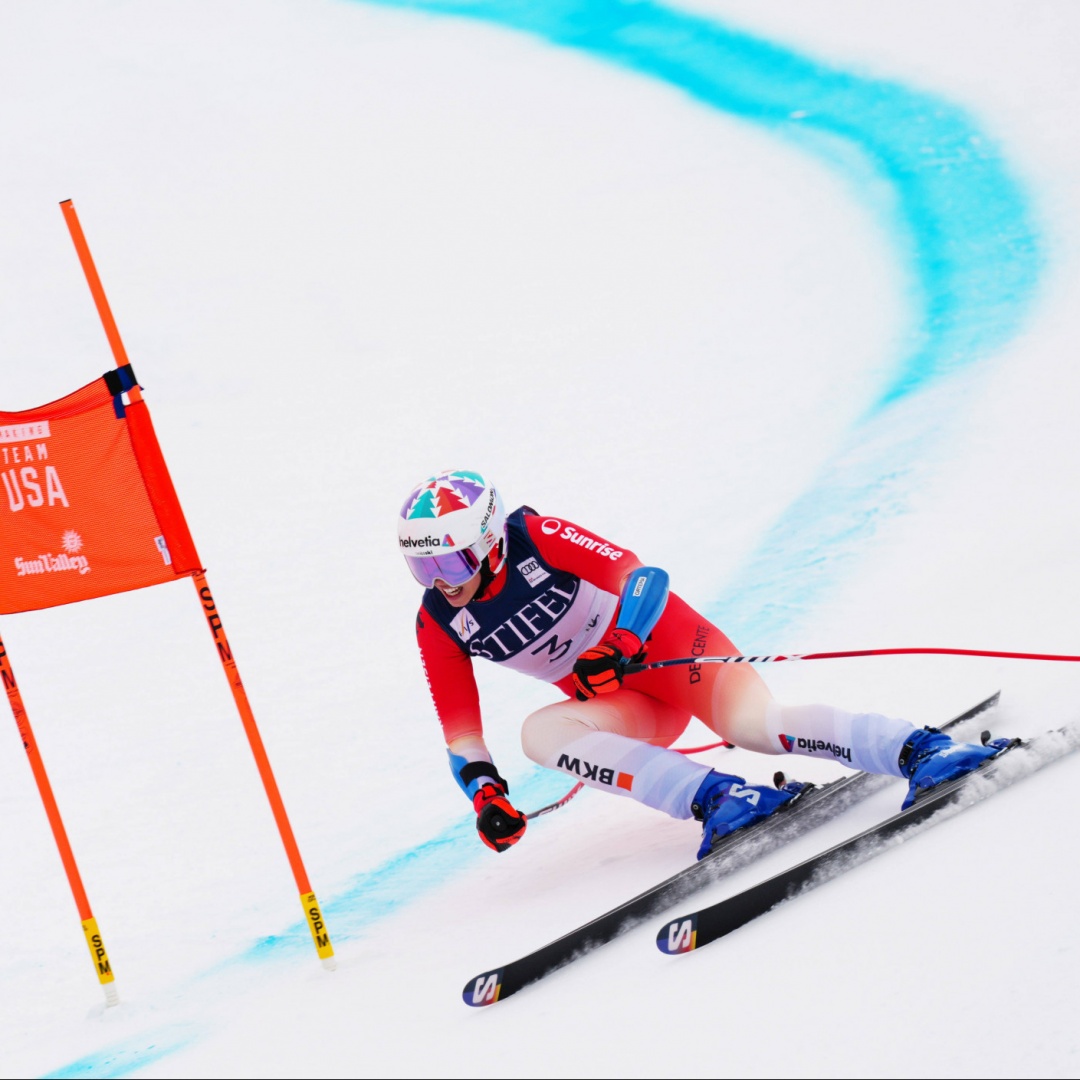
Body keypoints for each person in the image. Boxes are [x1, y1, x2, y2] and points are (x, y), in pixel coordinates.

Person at [400, 469, 1009, 857]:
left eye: (450, 563)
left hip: (670, 651)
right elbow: (462, 735)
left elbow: (644, 577)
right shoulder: (438, 622)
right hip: (625, 702)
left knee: (753, 726)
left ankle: (920, 750)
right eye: (423, 569)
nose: (440, 582)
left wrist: (621, 644)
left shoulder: (536, 534)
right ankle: (720, 799)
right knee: (540, 734)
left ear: (489, 541)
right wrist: (486, 797)